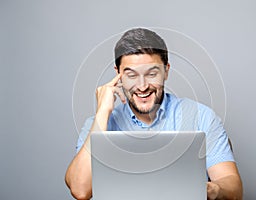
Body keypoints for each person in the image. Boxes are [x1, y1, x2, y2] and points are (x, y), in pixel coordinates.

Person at [65, 28, 243, 200]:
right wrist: (103, 113)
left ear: (166, 71)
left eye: (152, 73)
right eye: (131, 75)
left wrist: (211, 189)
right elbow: (80, 190)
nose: (142, 86)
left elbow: (233, 188)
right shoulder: (97, 125)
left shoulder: (201, 117)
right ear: (118, 74)